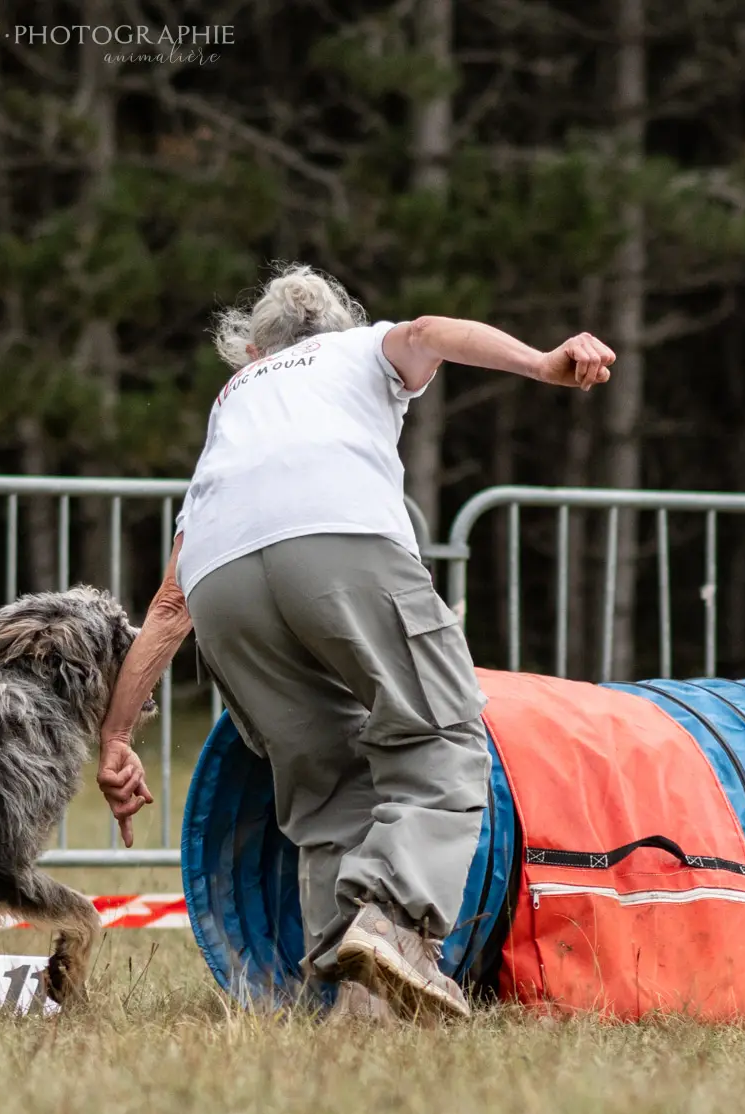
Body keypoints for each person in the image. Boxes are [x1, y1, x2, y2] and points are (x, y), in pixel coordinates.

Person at [95, 263, 614, 1022]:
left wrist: (114, 736)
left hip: (222, 581)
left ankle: (359, 1008)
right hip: (339, 538)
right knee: (440, 735)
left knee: (326, 787)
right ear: (338, 326)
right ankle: (396, 924)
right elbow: (430, 333)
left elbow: (170, 604)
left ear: (250, 352)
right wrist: (540, 363)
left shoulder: (234, 404)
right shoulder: (357, 350)